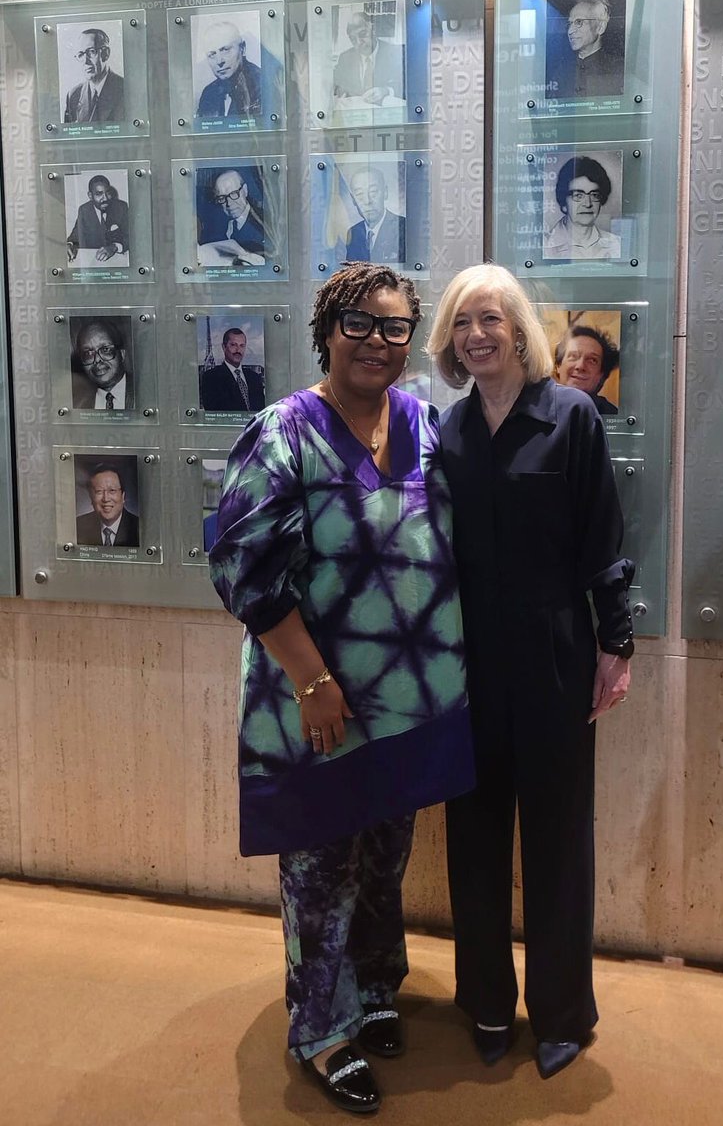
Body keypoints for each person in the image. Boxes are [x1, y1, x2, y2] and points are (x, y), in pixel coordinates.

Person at [209, 262, 474, 1115]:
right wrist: (313, 679)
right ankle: (321, 1030)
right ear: (326, 331)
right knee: (321, 866)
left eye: (394, 327)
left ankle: (374, 987)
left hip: (408, 700)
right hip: (315, 699)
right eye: (357, 323)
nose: (375, 341)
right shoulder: (283, 430)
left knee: (385, 858)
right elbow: (245, 569)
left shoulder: (427, 426)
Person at [426, 264, 634, 1080]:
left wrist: (615, 646)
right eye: (461, 322)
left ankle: (560, 1013)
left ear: (518, 329)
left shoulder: (570, 415)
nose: (476, 335)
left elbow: (602, 539)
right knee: (473, 839)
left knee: (557, 839)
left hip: (554, 653)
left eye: (490, 319)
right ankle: (484, 1004)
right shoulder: (446, 430)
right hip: (467, 660)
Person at [543, 156, 620, 260]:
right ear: (564, 202)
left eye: (594, 195)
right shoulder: (544, 245)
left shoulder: (616, 244)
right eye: (578, 195)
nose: (588, 204)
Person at [554, 0, 623, 98]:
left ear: (600, 27)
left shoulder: (619, 69)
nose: (570, 31)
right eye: (569, 24)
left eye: (579, 22)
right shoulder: (560, 71)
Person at [198, 169, 267, 266]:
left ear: (245, 190)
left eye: (234, 194)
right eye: (222, 198)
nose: (229, 203)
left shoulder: (265, 222)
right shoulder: (215, 224)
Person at [333, 10, 405, 105]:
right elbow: (336, 85)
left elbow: (405, 83)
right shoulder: (345, 58)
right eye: (353, 39)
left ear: (373, 30)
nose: (359, 42)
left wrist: (386, 90)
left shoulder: (393, 52)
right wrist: (340, 91)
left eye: (362, 34)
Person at [196, 20, 262, 118]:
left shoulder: (262, 84)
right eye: (212, 54)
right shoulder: (208, 93)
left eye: (225, 50)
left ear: (242, 49)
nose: (219, 61)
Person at [71, 316, 134, 410]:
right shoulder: (77, 400)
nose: (97, 359)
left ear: (122, 354)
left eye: (105, 349)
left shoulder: (145, 390)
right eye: (88, 354)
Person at [63, 28, 125, 123]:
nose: (85, 61)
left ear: (105, 54)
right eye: (80, 55)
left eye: (91, 52)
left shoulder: (125, 90)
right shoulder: (73, 95)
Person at [345, 167, 406, 263]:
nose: (367, 201)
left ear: (385, 192)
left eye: (373, 191)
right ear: (353, 200)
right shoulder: (353, 233)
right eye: (359, 194)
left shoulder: (403, 227)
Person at [555, 325, 620, 415]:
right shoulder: (537, 408)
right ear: (558, 365)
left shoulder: (611, 415)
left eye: (592, 360)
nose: (580, 366)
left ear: (601, 374)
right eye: (573, 356)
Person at [200, 327, 266, 412]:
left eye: (242, 346)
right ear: (224, 347)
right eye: (233, 345)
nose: (238, 350)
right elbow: (214, 411)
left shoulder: (254, 377)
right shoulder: (211, 377)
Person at [66, 175, 129, 263]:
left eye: (108, 193)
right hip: (93, 261)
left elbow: (131, 237)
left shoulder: (121, 207)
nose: (105, 198)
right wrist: (70, 244)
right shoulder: (84, 210)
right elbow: (76, 235)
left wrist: (114, 246)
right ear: (90, 195)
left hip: (117, 260)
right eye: (99, 194)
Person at [75, 462, 140, 546]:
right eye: (99, 491)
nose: (106, 499)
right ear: (91, 497)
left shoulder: (139, 526)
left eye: (112, 490)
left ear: (123, 496)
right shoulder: (78, 526)